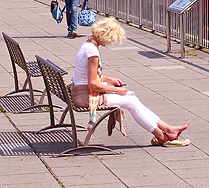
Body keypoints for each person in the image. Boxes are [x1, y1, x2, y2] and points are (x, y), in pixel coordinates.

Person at [73, 18, 190, 146]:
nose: (110, 42)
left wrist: (108, 80)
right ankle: (162, 136)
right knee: (131, 102)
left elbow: (86, 76)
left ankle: (168, 129)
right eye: (111, 39)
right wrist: (117, 90)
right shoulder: (92, 52)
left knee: (131, 97)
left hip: (80, 92)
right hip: (84, 96)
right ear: (105, 36)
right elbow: (92, 84)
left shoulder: (87, 44)